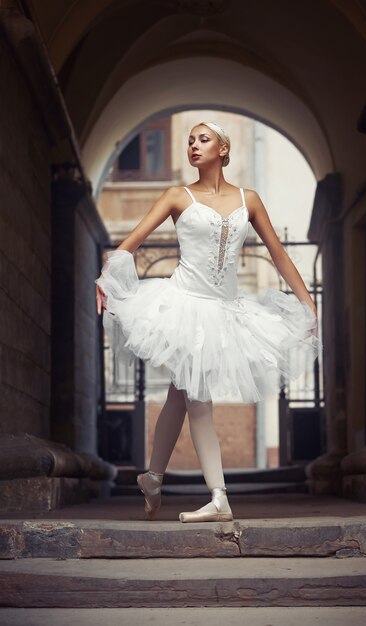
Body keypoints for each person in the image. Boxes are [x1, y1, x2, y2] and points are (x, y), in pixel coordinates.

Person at [95, 121, 322, 523]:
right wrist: (106, 277)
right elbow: (128, 244)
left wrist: (308, 303)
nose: (194, 146)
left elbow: (278, 254)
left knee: (179, 395)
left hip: (225, 311)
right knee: (197, 397)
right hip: (182, 305)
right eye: (189, 141)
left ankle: (152, 478)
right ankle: (219, 497)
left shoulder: (248, 199)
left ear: (223, 148)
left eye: (203, 139)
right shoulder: (175, 196)